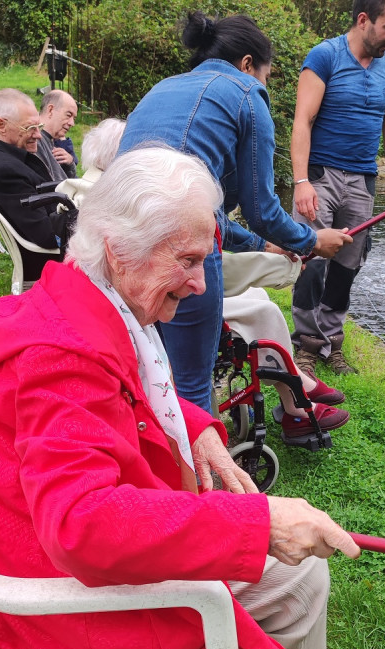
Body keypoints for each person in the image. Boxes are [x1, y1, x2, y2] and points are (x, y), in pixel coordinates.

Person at [0, 147, 360, 649]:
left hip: (30, 545)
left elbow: (138, 388)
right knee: (299, 575)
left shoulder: (82, 299)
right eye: (187, 259)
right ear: (119, 249)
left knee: (289, 563)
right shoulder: (58, 359)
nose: (202, 284)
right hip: (56, 599)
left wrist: (198, 430)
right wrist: (257, 523)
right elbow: (83, 525)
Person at [119, 12, 353, 414]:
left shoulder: (165, 87)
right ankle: (200, 474)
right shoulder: (246, 92)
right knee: (192, 382)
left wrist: (265, 245)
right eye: (266, 75)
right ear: (248, 64)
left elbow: (209, 212)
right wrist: (312, 240)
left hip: (119, 234)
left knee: (151, 362)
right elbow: (260, 208)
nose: (265, 85)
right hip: (179, 241)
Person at [58, 119, 349, 438]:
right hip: (169, 312)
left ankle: (292, 381)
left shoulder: (91, 194)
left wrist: (266, 247)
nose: (199, 281)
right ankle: (294, 394)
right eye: (189, 260)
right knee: (261, 309)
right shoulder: (137, 213)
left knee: (257, 299)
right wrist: (287, 268)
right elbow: (214, 273)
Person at [290, 0, 385, 378]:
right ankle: (306, 347)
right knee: (313, 261)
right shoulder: (325, 56)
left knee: (347, 266)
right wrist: (301, 183)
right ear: (364, 20)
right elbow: (303, 120)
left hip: (362, 181)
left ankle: (332, 343)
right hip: (319, 176)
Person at [0, 88, 75, 283]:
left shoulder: (9, 158)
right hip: (49, 263)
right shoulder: (4, 170)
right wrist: (82, 217)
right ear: (1, 125)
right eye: (30, 128)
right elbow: (47, 234)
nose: (38, 135)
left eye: (39, 126)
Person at [37, 89, 78, 181]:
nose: (72, 123)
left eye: (74, 118)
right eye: (68, 115)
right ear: (50, 110)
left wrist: (70, 163)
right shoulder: (34, 141)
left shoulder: (51, 139)